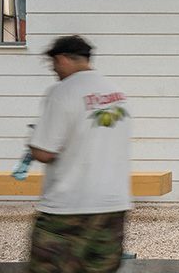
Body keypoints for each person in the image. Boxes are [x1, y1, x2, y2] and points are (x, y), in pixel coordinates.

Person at [27, 35, 132, 272]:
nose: (54, 71)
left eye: (53, 65)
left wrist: (32, 142)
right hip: (113, 206)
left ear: (61, 59)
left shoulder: (62, 91)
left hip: (69, 207)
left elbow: (44, 152)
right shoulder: (118, 94)